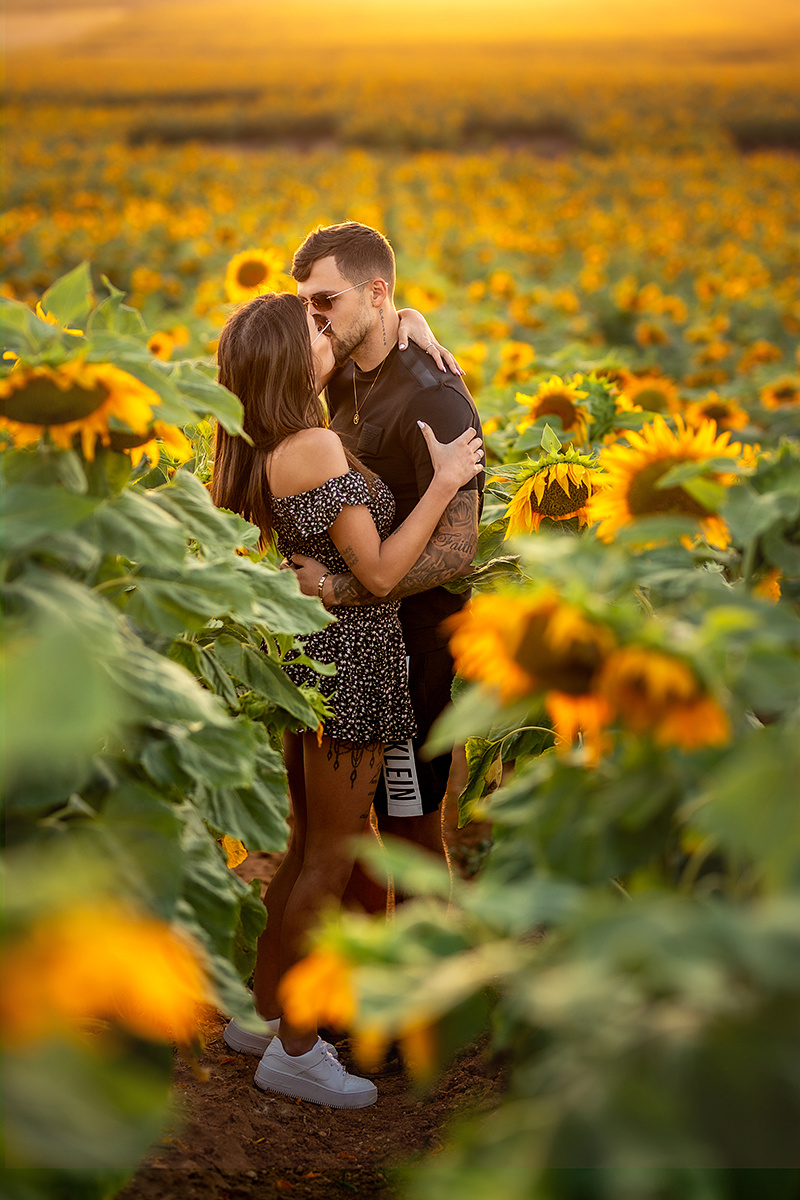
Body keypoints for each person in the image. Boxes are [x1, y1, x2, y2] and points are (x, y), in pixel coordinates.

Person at [210, 291, 483, 1108]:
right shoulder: (318, 446)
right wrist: (442, 483)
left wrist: (415, 327)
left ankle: (261, 1016)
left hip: (309, 661)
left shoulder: (263, 444)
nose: (327, 337)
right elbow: (381, 573)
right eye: (314, 333)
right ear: (294, 365)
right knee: (332, 854)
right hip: (356, 666)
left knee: (302, 850)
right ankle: (296, 1049)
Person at [287, 223, 484, 905]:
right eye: (308, 303)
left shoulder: (436, 396)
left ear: (375, 292)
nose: (315, 318)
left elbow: (460, 549)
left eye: (327, 301)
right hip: (351, 645)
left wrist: (340, 588)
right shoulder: (341, 368)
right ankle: (367, 992)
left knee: (409, 828)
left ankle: (436, 995)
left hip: (412, 644)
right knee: (343, 828)